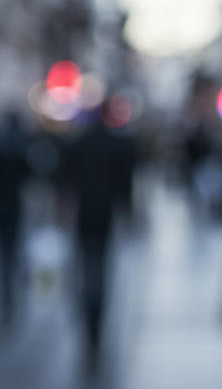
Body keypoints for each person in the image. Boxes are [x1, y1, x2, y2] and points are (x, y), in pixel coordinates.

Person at [58, 98, 136, 369]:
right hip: (106, 215)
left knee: (87, 265)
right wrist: (128, 213)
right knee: (99, 267)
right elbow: (127, 185)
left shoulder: (78, 143)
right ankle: (96, 313)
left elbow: (65, 181)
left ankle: (88, 308)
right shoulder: (118, 144)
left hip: (84, 213)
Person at [0, 112, 31, 326]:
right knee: (11, 249)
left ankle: (5, 292)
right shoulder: (21, 147)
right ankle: (9, 291)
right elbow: (29, 175)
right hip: (13, 205)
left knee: (2, 250)